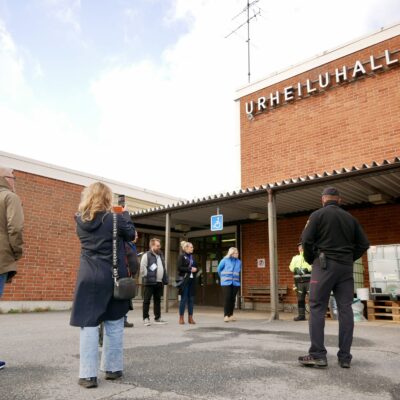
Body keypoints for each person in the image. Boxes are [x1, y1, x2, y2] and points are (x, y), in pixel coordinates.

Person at [70, 182, 136, 388]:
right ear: (107, 198)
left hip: (88, 277)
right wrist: (125, 214)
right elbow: (132, 235)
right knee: (114, 321)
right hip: (113, 276)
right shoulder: (115, 219)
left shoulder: (80, 220)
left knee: (89, 325)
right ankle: (113, 369)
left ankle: (87, 376)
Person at [298, 187, 369, 369]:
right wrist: (349, 258)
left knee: (317, 307)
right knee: (345, 309)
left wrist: (310, 259)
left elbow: (306, 240)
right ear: (340, 200)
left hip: (324, 266)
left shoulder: (317, 215)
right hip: (345, 269)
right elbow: (364, 244)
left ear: (323, 199)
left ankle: (318, 355)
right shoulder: (350, 218)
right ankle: (345, 357)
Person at [0, 166, 24, 371]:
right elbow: (15, 228)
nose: (15, 180)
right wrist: (16, 253)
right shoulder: (10, 197)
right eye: (13, 177)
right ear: (6, 178)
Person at [140, 238, 169, 326]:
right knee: (146, 301)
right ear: (152, 246)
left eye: (159, 245)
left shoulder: (160, 255)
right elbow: (142, 267)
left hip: (159, 282)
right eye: (157, 245)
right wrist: (147, 275)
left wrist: (164, 278)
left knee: (157, 301)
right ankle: (145, 318)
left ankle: (157, 318)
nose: (159, 247)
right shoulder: (146, 255)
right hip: (150, 282)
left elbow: (163, 268)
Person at [217, 247, 241, 322]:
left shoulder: (239, 262)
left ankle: (231, 315)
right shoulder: (224, 260)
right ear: (231, 253)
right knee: (227, 298)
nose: (237, 254)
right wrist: (223, 278)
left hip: (235, 283)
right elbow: (219, 269)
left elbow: (238, 271)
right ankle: (226, 315)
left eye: (237, 253)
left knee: (232, 299)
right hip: (226, 283)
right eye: (235, 253)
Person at [289, 243, 312, 321]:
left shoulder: (310, 256)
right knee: (300, 299)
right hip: (298, 282)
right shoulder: (295, 258)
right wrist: (295, 269)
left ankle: (313, 316)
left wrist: (306, 269)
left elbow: (313, 265)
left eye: (302, 246)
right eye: (299, 247)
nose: (301, 248)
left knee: (311, 299)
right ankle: (301, 316)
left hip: (309, 281)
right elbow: (291, 266)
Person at [177, 241, 198, 325]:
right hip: (184, 280)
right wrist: (189, 269)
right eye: (191, 247)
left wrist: (196, 269)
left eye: (192, 247)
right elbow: (179, 268)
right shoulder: (182, 256)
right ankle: (181, 318)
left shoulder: (193, 257)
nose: (193, 248)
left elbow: (196, 267)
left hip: (192, 281)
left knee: (191, 299)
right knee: (184, 299)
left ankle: (190, 318)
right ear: (186, 248)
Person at [123, 233, 140, 328]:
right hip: (125, 274)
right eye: (135, 235)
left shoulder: (132, 245)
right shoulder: (125, 244)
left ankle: (124, 319)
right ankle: (122, 320)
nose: (137, 237)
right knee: (124, 297)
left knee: (127, 298)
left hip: (130, 275)